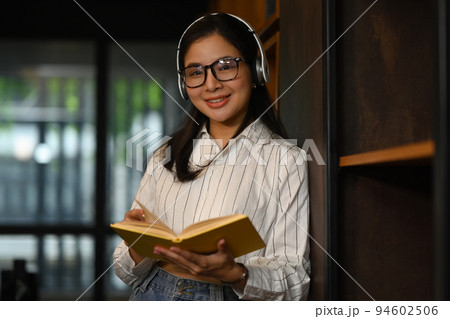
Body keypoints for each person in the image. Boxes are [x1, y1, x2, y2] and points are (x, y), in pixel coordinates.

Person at [113, 12, 310, 301]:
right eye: (195, 72)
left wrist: (236, 273)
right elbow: (124, 270)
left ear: (256, 71)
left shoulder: (286, 160)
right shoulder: (165, 155)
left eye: (225, 67)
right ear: (184, 84)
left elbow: (295, 281)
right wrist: (137, 246)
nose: (210, 84)